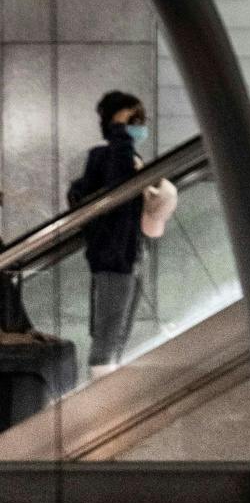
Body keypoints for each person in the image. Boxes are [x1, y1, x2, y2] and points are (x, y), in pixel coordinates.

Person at [67, 91, 148, 376]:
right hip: (114, 258)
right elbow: (118, 189)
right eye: (131, 120)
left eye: (140, 120)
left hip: (128, 255)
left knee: (118, 334)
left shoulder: (124, 156)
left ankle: (105, 398)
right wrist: (120, 134)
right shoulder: (110, 156)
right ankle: (100, 404)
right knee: (108, 336)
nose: (138, 126)